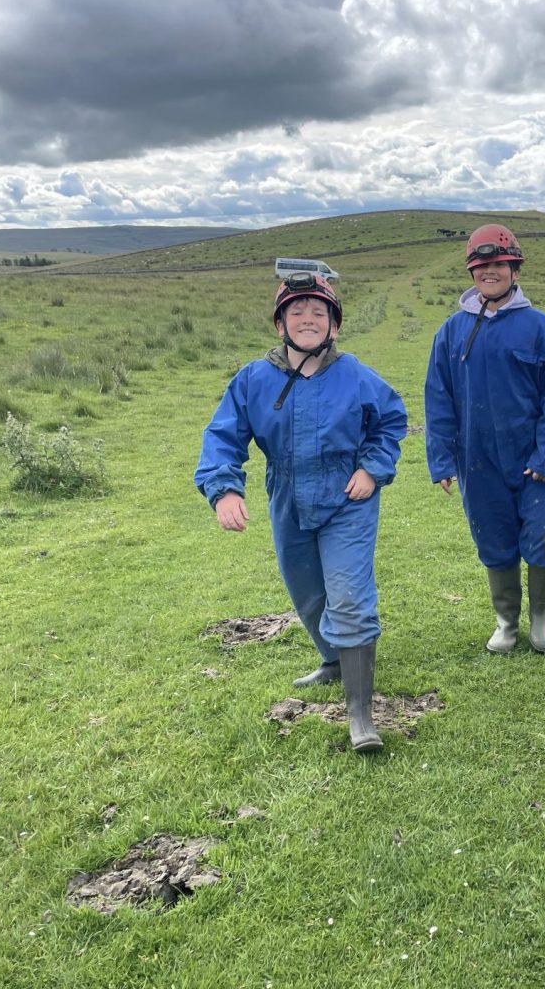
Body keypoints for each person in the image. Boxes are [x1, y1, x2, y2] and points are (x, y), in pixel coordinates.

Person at [195, 273, 407, 752]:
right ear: (280, 324)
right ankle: (332, 660)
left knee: (348, 594)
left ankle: (360, 715)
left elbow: (391, 421)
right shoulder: (254, 379)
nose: (307, 319)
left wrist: (372, 468)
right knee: (307, 592)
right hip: (287, 493)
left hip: (348, 495)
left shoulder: (355, 375)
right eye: (296, 312)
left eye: (318, 312)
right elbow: (223, 435)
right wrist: (224, 490)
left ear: (334, 324)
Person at [424, 224, 545, 655]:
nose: (490, 272)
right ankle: (506, 622)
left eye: (499, 264)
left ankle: (541, 619)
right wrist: (441, 458)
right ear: (472, 273)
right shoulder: (451, 332)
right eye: (481, 265)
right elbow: (438, 398)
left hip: (535, 460)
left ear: (515, 269)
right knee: (494, 539)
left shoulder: (541, 328)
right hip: (478, 460)